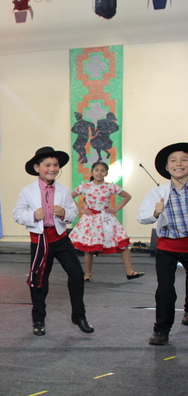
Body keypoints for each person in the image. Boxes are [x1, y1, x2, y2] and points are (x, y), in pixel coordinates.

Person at [13, 146, 94, 337]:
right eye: (47, 165)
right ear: (37, 168)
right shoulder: (27, 191)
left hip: (60, 239)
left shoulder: (64, 191)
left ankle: (79, 316)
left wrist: (65, 213)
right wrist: (33, 215)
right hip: (40, 241)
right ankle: (38, 320)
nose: (52, 169)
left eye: (55, 165)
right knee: (39, 281)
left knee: (77, 274)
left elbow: (73, 213)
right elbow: (17, 214)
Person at [137, 142, 188, 346]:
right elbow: (142, 217)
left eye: (184, 160)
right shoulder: (157, 192)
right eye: (173, 161)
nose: (179, 164)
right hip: (167, 248)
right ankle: (161, 329)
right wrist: (155, 213)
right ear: (167, 167)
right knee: (165, 290)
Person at [69, 162, 144, 281]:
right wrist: (81, 209)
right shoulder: (85, 186)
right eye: (97, 170)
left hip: (106, 219)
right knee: (89, 247)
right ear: (92, 172)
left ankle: (130, 271)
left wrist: (116, 208)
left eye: (102, 170)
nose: (99, 173)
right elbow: (69, 196)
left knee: (122, 243)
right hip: (91, 220)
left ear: (106, 173)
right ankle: (88, 274)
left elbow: (127, 196)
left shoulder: (110, 187)